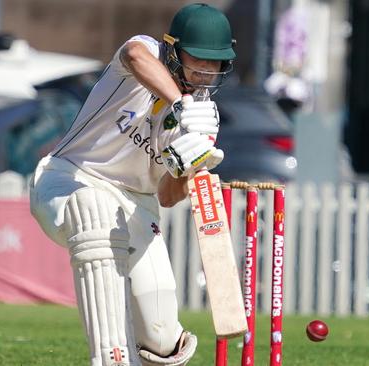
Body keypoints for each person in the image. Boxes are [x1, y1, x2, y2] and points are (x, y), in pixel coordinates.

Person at [29, 4, 235, 365]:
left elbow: (169, 198)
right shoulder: (146, 53)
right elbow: (134, 54)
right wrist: (180, 104)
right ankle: (111, 359)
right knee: (93, 207)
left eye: (215, 64)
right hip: (68, 179)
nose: (206, 71)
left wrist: (184, 166)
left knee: (161, 339)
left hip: (139, 207)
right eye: (198, 59)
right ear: (173, 49)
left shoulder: (203, 121)